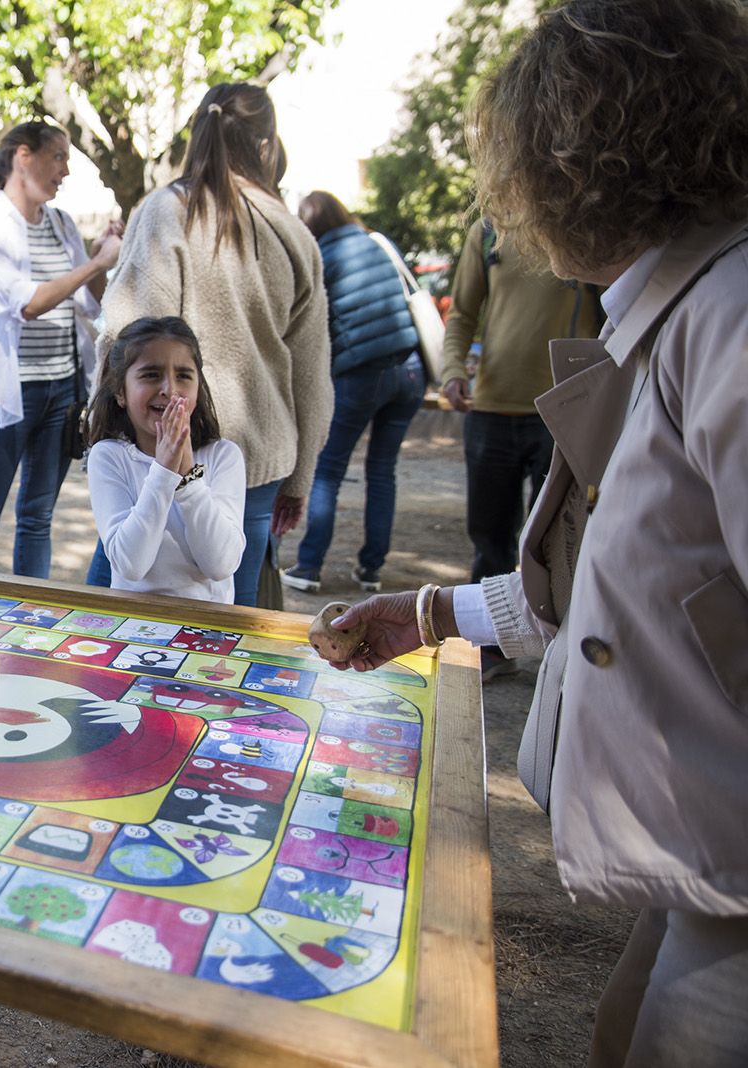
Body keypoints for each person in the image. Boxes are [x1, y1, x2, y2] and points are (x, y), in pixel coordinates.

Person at [324, 2, 748, 1063]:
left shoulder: (729, 319)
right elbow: (631, 576)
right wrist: (429, 612)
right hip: (706, 865)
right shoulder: (675, 305)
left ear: (575, 157)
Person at [98, 83, 330, 606]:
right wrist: (301, 478)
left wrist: (109, 425)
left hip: (159, 445)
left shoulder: (164, 211)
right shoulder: (294, 234)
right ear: (266, 147)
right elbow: (314, 374)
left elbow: (125, 336)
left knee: (117, 615)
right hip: (259, 452)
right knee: (229, 628)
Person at [0, 123, 122, 578]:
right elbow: (26, 303)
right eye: (58, 157)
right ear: (24, 156)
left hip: (62, 390)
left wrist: (99, 257)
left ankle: (29, 629)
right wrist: (97, 262)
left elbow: (89, 300)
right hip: (7, 394)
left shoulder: (60, 224)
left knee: (37, 520)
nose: (65, 170)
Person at [440, 214, 602, 676]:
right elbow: (463, 312)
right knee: (489, 535)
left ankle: (566, 654)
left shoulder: (586, 220)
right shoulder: (489, 229)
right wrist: (453, 369)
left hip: (566, 405)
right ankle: (488, 650)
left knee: (564, 542)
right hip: (492, 408)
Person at [279, 191, 425, 595]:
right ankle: (371, 570)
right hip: (410, 370)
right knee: (382, 471)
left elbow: (309, 327)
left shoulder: (320, 257)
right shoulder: (377, 242)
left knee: (328, 469)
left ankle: (308, 568)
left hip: (362, 375)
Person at [86, 316, 245, 603]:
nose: (169, 390)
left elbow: (220, 564)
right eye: (150, 374)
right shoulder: (109, 456)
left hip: (208, 629)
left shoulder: (223, 456)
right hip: (133, 625)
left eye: (183, 375)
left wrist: (188, 478)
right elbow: (131, 565)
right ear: (121, 391)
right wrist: (163, 472)